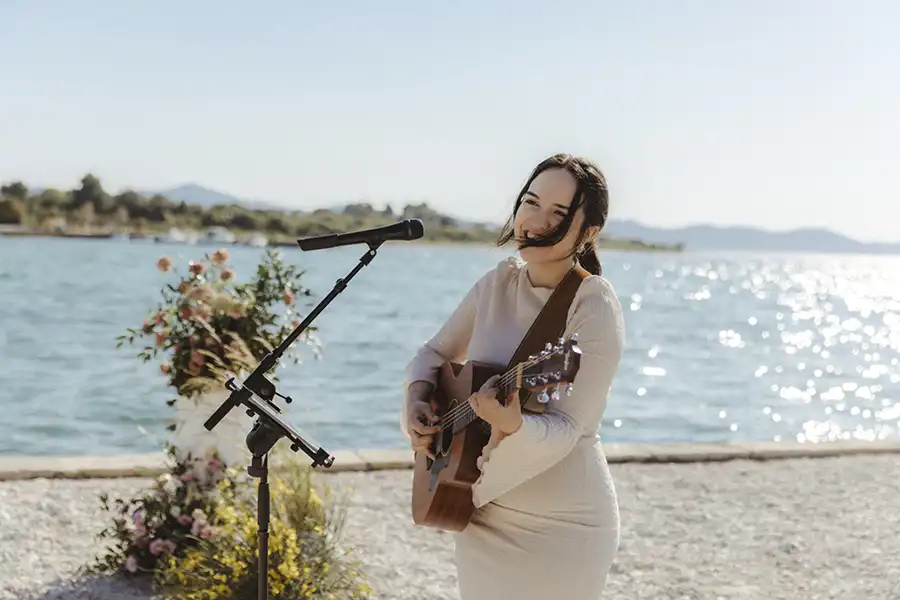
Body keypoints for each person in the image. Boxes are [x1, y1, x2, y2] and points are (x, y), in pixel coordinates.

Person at [401, 153, 626, 599]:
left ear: (589, 231)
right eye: (531, 202)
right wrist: (417, 399)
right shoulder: (497, 284)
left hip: (561, 528)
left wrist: (512, 425)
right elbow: (434, 352)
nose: (537, 221)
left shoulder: (593, 305)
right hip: (478, 506)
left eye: (559, 213)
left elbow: (567, 427)